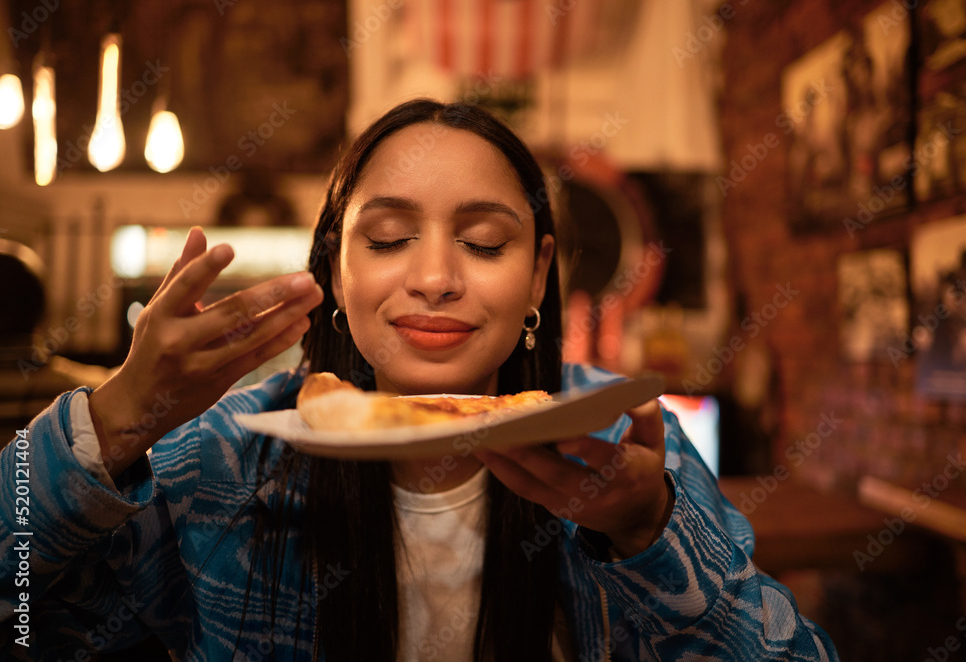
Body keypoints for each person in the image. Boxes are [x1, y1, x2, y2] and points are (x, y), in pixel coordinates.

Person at [0, 99, 839, 661]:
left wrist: (646, 530)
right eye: (390, 236)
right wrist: (113, 422)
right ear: (334, 260)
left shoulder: (617, 439)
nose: (435, 277)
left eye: (483, 242)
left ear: (541, 271)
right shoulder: (220, 460)